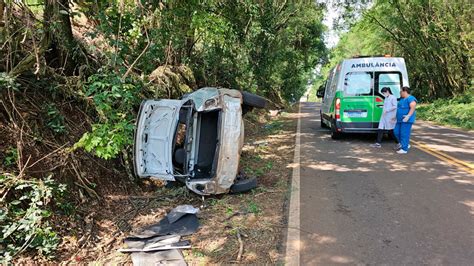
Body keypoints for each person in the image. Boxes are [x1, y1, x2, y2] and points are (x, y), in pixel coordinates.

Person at [394, 86, 417, 154]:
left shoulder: (410, 98)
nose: (400, 93)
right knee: (396, 132)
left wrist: (408, 116)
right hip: (399, 119)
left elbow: (413, 107)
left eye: (401, 91)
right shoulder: (402, 99)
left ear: (405, 91)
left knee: (404, 133)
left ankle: (404, 149)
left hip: (406, 120)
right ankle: (405, 144)